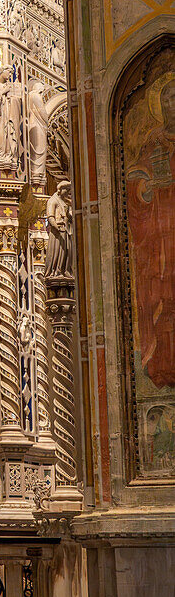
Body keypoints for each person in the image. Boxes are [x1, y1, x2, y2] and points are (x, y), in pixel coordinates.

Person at [125, 71, 175, 388]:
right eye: (167, 97)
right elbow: (136, 180)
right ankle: (162, 365)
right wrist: (145, 186)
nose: (172, 102)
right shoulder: (153, 140)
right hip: (160, 230)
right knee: (160, 296)